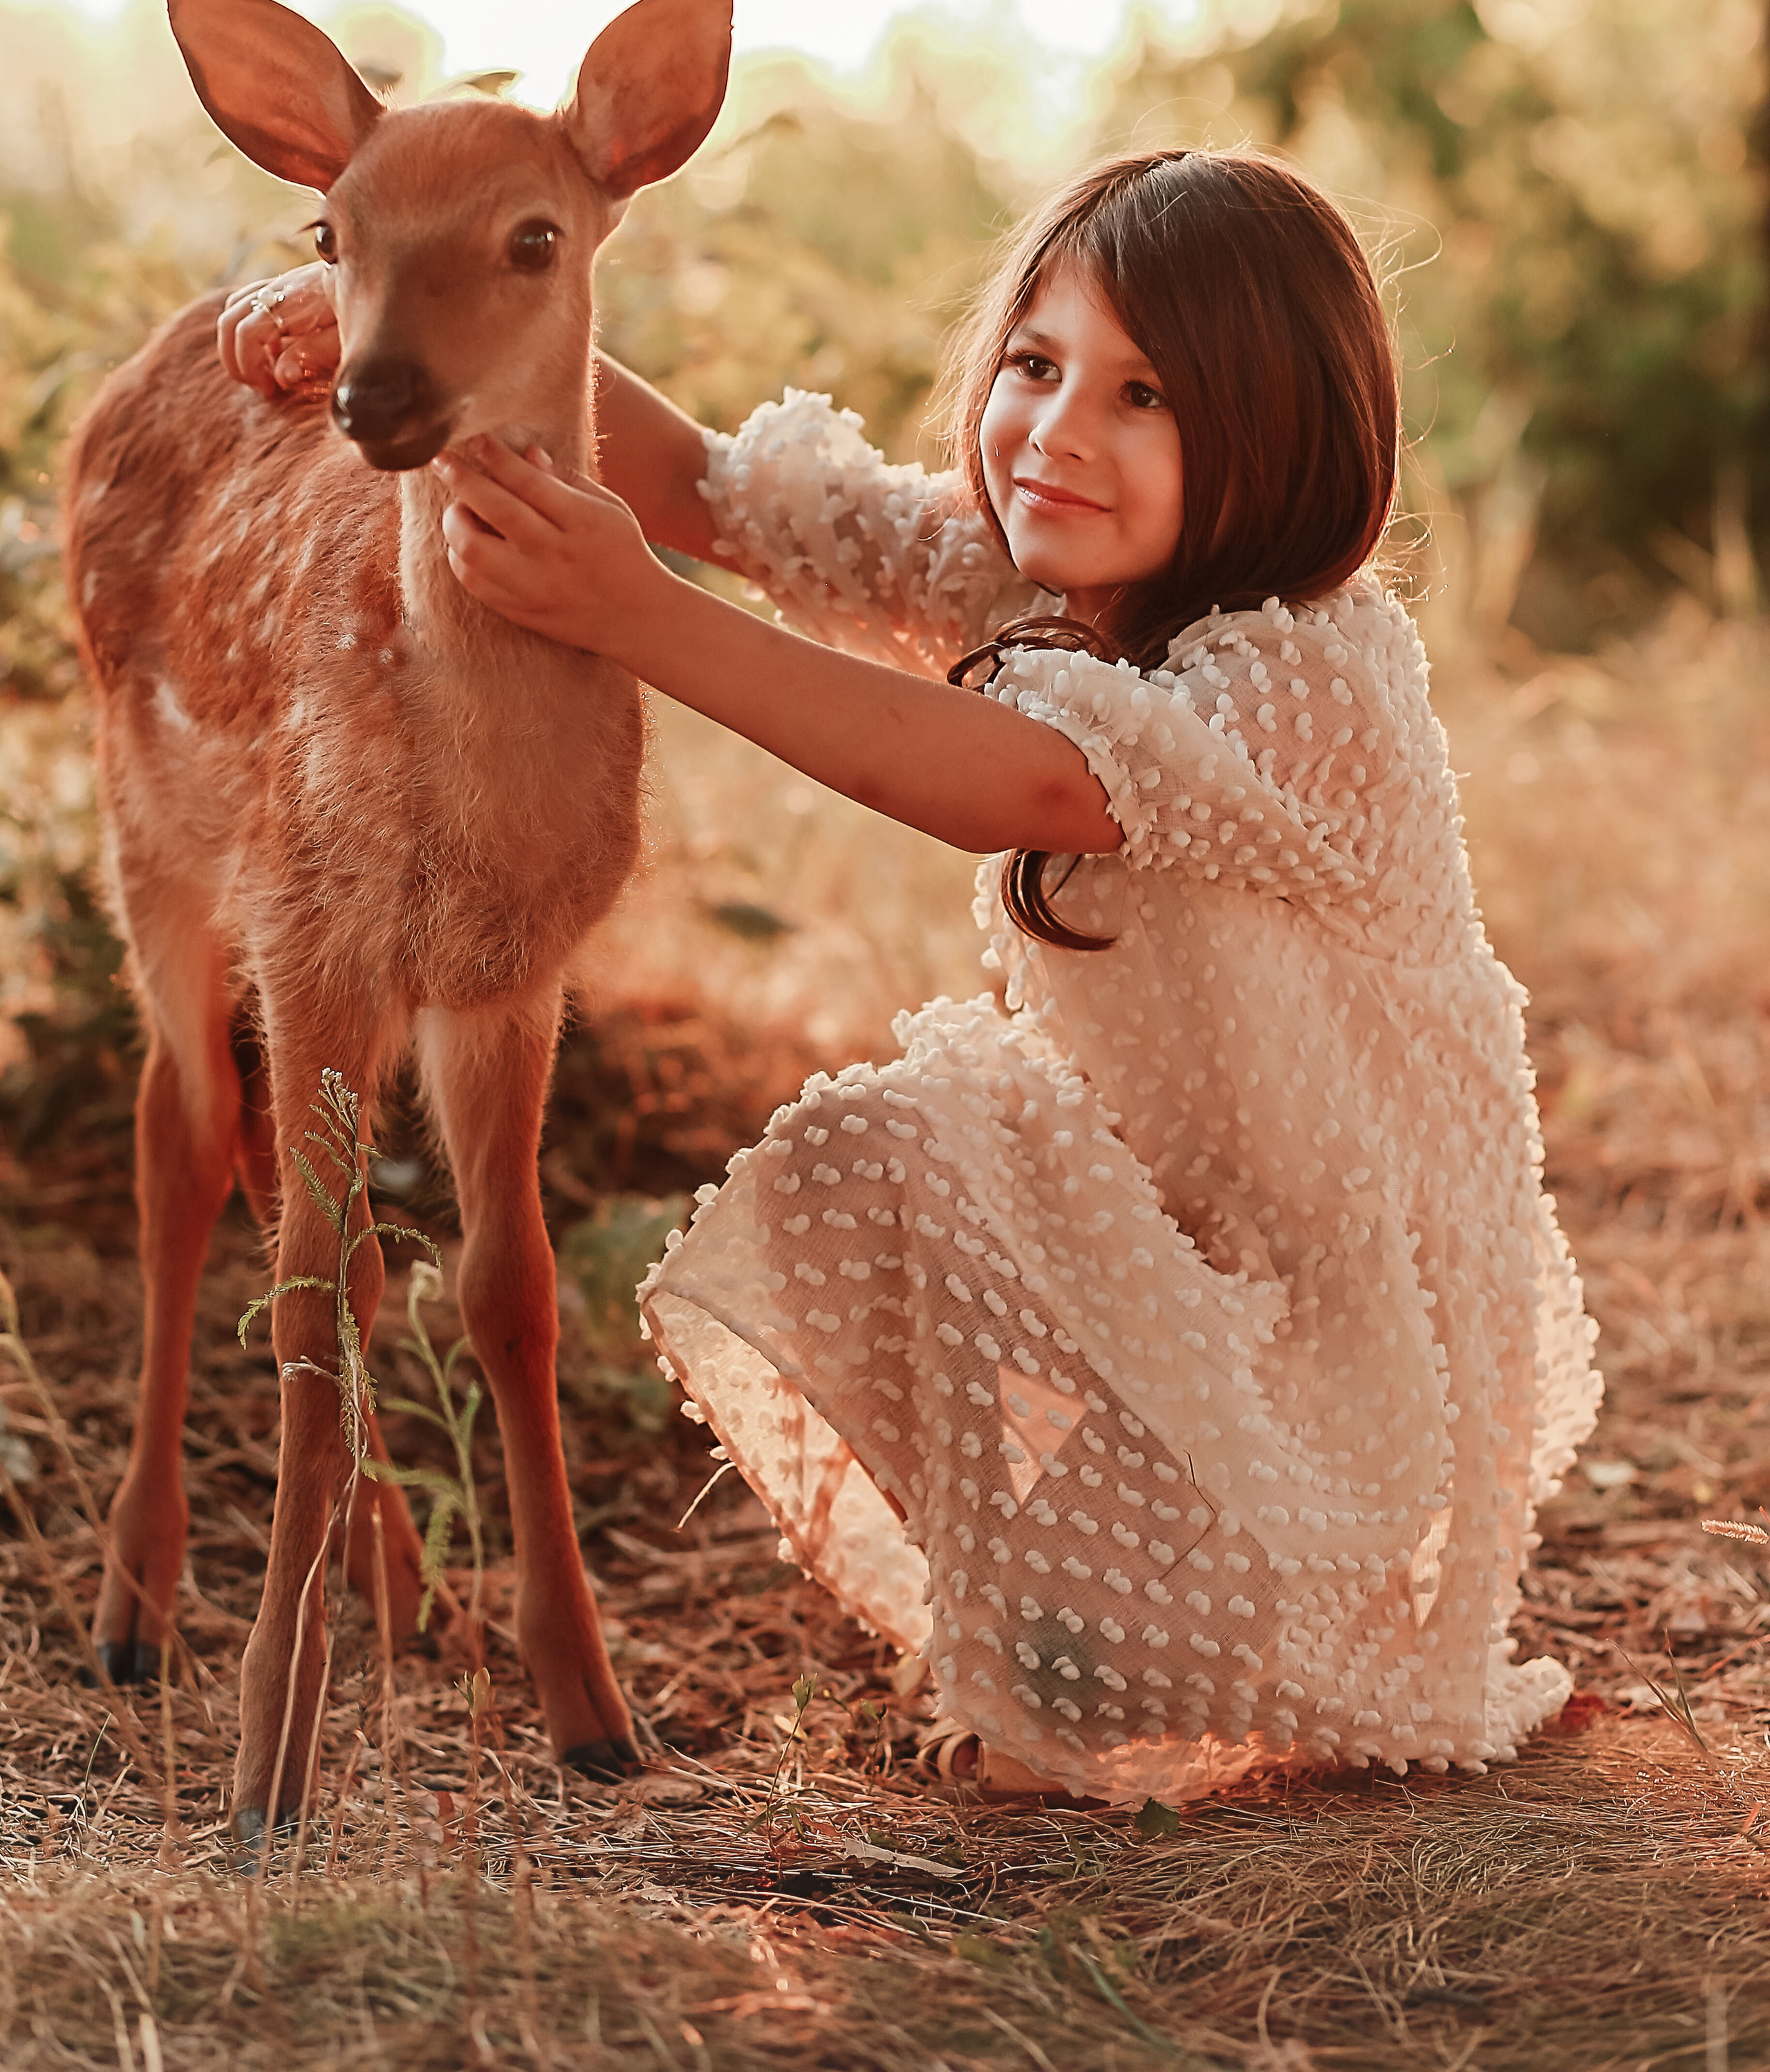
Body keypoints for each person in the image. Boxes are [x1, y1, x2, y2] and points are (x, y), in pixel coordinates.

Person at [219, 148, 1600, 1804]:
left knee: (949, 1131)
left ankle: (1245, 1617)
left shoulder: (1316, 682)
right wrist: (400, 323)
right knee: (886, 1146)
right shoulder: (1033, 574)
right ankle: (1061, 1635)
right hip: (1170, 1248)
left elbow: (1006, 777)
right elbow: (701, 486)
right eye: (1034, 365)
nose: (1057, 432)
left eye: (1142, 394)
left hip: (1342, 1324)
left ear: (1284, 433)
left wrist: (639, 620)